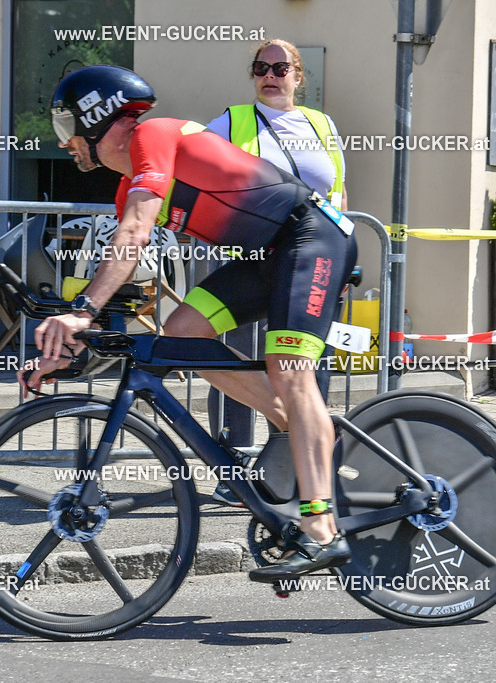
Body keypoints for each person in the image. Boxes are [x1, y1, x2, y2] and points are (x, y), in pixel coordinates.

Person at [18, 65, 357, 581]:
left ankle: (321, 530)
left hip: (312, 238)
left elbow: (134, 232)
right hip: (270, 256)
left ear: (97, 117)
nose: (65, 144)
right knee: (181, 335)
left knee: (290, 370)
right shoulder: (129, 180)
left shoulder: (152, 136)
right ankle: (299, 428)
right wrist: (73, 350)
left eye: (67, 128)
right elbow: (126, 275)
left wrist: (80, 311)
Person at [204, 38, 348, 507]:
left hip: (311, 261)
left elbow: (340, 194)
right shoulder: (231, 121)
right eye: (261, 67)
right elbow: (192, 166)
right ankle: (232, 467)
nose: (270, 75)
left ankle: (294, 474)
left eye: (281, 67)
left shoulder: (322, 125)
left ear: (298, 76)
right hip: (250, 257)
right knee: (240, 358)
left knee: (302, 370)